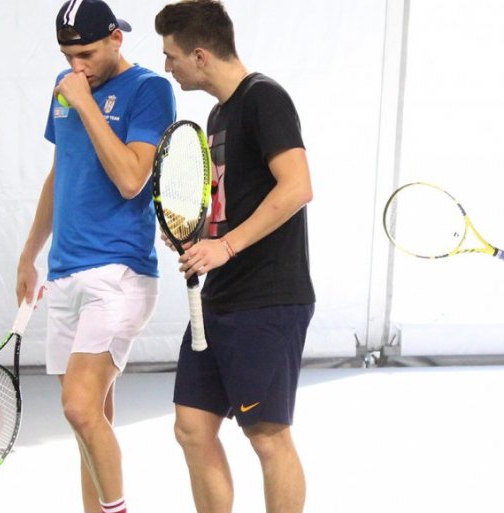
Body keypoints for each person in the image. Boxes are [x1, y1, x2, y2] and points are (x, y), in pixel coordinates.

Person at [154, 2, 316, 512]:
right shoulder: (218, 114)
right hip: (221, 299)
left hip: (267, 299)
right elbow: (234, 203)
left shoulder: (264, 98)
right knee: (191, 427)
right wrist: (200, 234)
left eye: (172, 55)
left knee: (267, 436)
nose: (167, 66)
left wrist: (224, 246)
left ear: (200, 56)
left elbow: (297, 187)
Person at [16, 1, 175, 512]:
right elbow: (60, 171)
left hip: (119, 272)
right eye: (68, 56)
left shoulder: (149, 90)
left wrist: (85, 103)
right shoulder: (65, 87)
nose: (76, 66)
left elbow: (132, 179)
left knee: (80, 408)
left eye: (85, 54)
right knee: (91, 422)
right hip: (64, 273)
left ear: (116, 39)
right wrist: (29, 255)